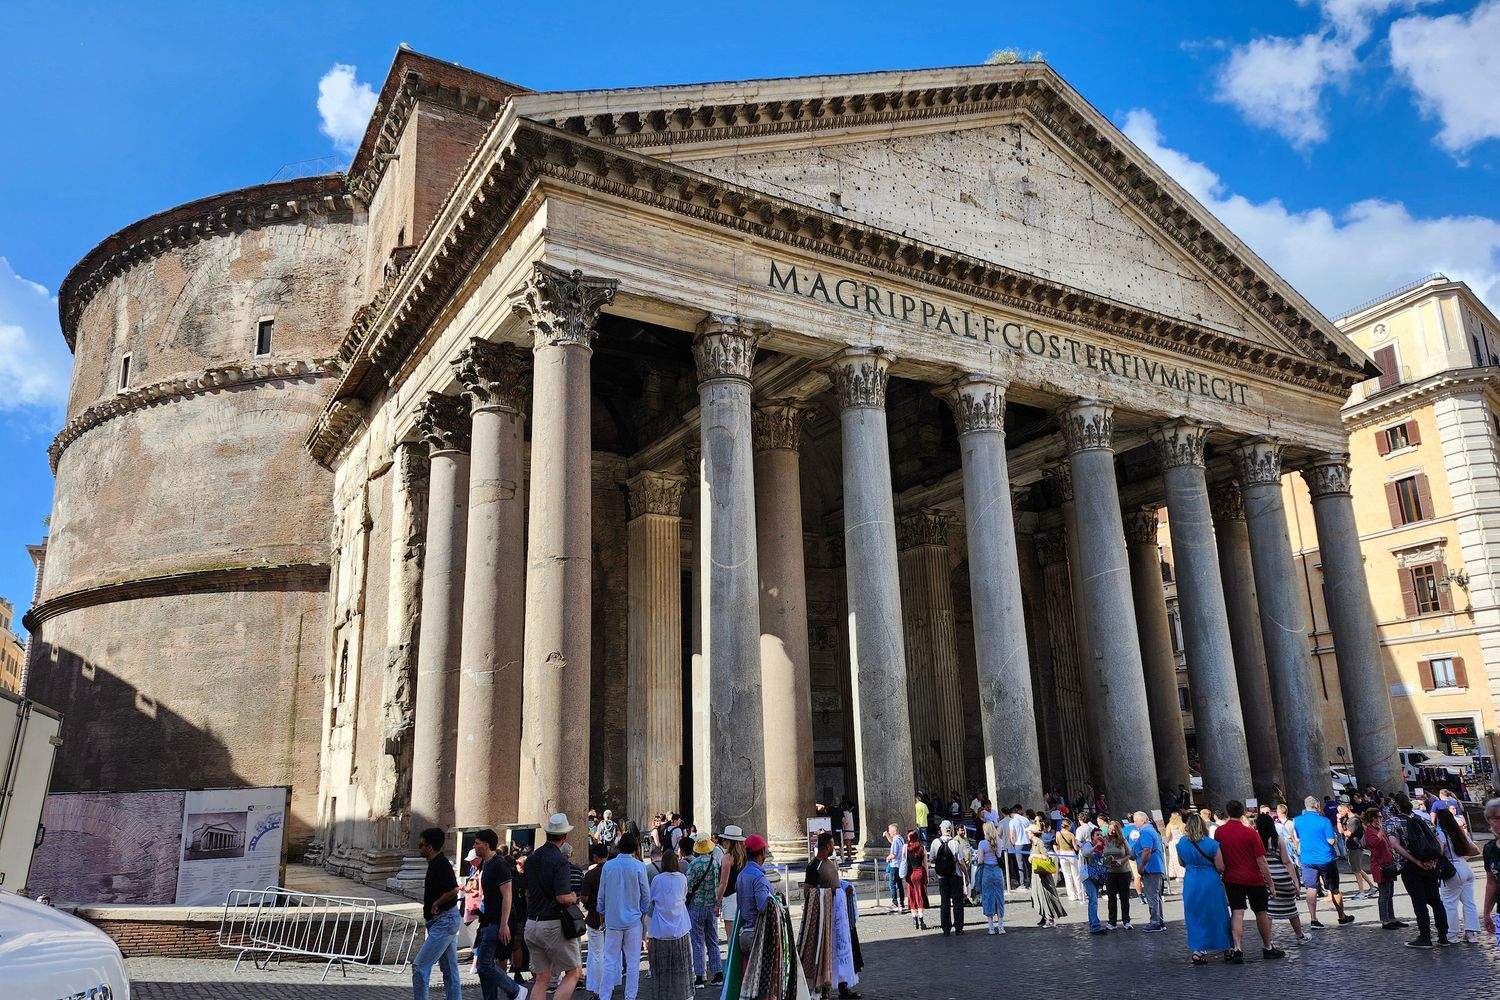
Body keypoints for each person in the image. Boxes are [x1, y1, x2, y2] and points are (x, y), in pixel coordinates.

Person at [1211, 801, 1283, 961]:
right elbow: (1261, 861)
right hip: (1253, 878)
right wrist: (1270, 883)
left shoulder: (1219, 832)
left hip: (1231, 878)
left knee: (1237, 911)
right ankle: (1268, 946)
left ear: (1228, 812)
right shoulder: (1250, 833)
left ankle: (1237, 949)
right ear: (1242, 812)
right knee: (1261, 912)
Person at [524, 814, 582, 1000]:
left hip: (532, 923)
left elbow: (527, 890)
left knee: (542, 978)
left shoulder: (532, 858)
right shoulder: (560, 861)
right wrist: (572, 896)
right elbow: (562, 897)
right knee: (574, 972)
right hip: (552, 925)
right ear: (564, 836)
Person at [1385, 790, 1450, 948]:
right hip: (1430, 864)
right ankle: (1443, 936)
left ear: (1396, 806)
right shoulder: (1424, 819)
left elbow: (1394, 844)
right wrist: (1433, 860)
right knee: (1435, 900)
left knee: (1419, 901)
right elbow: (1438, 841)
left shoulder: (1392, 822)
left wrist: (1415, 860)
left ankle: (1425, 936)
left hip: (1410, 866)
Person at [473, 829, 526, 1000]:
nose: (474, 845)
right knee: (485, 967)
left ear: (486, 845)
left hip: (497, 922)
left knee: (484, 964)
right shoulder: (486, 863)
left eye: (477, 842)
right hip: (488, 920)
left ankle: (515, 990)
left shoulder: (499, 864)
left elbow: (507, 895)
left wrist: (504, 924)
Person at [597, 829, 649, 1000]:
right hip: (633, 920)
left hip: (613, 920)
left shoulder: (608, 866)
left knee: (610, 960)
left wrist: (602, 911)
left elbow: (602, 893)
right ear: (635, 848)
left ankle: (605, 995)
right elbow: (645, 894)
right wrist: (641, 911)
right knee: (633, 962)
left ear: (619, 847)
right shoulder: (639, 866)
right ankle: (630, 996)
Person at [412, 827, 463, 1000]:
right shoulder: (436, 863)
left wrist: (437, 903)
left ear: (430, 847)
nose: (419, 847)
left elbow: (454, 889)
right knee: (449, 970)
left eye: (422, 844)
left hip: (444, 921)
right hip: (442, 921)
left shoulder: (441, 864)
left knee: (419, 966)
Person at [1176, 811, 1233, 964]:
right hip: (1210, 880)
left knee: (1195, 915)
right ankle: (1226, 948)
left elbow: (1181, 863)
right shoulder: (1212, 844)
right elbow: (1220, 867)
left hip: (1191, 881)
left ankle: (1198, 950)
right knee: (1218, 913)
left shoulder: (1181, 843)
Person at [1290, 795, 1353, 928]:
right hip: (1325, 858)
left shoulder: (1297, 821)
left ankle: (1313, 919)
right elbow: (1331, 841)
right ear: (1316, 806)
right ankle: (1342, 917)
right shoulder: (1324, 821)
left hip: (1307, 859)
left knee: (1311, 888)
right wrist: (1335, 840)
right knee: (1334, 889)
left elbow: (1297, 838)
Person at [647, 850, 693, 1000]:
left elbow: (652, 899)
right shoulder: (682, 878)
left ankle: (662, 994)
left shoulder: (657, 880)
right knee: (682, 966)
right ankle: (684, 993)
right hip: (680, 926)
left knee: (661, 968)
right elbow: (684, 896)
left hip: (660, 929)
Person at [1434, 806, 1482, 943]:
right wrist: (1462, 858)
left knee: (1449, 903)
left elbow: (1439, 852)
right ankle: (1471, 934)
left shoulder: (1441, 834)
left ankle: (1452, 934)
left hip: (1452, 870)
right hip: (1465, 868)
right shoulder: (1460, 833)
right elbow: (1476, 850)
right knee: (1469, 902)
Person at [684, 835, 723, 988]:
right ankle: (718, 972)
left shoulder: (694, 864)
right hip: (711, 905)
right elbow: (718, 882)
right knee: (713, 939)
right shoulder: (714, 863)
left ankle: (700, 976)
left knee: (697, 941)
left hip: (697, 906)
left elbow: (688, 884)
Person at [1362, 806, 1405, 931]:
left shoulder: (1378, 829)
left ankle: (1392, 918)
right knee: (1384, 894)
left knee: (1390, 893)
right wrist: (1380, 833)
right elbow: (1374, 843)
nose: (1381, 818)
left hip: (1388, 863)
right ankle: (1385, 920)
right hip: (1380, 865)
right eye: (1379, 816)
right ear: (1374, 818)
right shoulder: (1370, 830)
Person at [734, 835, 774, 958]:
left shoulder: (741, 875)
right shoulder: (758, 877)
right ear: (760, 854)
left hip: (745, 934)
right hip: (757, 935)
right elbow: (763, 906)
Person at [1126, 811, 1166, 932]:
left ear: (1142, 820)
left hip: (1150, 867)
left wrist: (1141, 865)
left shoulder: (1145, 832)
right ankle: (1159, 920)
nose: (1134, 823)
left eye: (1136, 820)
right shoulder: (1150, 830)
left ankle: (1155, 922)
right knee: (1156, 895)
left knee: (1152, 895)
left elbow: (1147, 850)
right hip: (1155, 866)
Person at [579, 843, 607, 999]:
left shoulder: (591, 874)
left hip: (594, 918)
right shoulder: (612, 872)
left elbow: (584, 897)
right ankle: (608, 984)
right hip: (613, 919)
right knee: (608, 954)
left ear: (595, 856)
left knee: (596, 953)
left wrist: (588, 904)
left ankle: (597, 987)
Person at [931, 819, 966, 936]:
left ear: (941, 830)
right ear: (950, 830)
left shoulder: (935, 843)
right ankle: (958, 927)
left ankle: (946, 928)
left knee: (944, 902)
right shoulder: (955, 843)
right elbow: (960, 861)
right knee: (957, 902)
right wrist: (966, 874)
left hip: (942, 876)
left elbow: (932, 859)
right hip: (955, 875)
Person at [716, 826, 747, 949]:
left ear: (730, 842)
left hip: (729, 898)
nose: (723, 842)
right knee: (741, 934)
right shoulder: (744, 857)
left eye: (725, 840)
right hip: (743, 895)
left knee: (731, 937)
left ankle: (732, 965)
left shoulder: (727, 857)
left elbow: (723, 883)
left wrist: (717, 902)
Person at [974, 821, 1007, 935]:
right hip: (997, 871)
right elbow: (999, 855)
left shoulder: (982, 843)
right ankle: (1001, 926)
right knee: (999, 897)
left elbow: (980, 860)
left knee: (988, 897)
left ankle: (991, 927)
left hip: (987, 872)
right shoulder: (1000, 842)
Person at [1028, 831, 1066, 927]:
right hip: (1036, 873)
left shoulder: (1039, 842)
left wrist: (1033, 856)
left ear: (1033, 833)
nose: (1028, 834)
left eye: (1029, 832)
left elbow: (1045, 856)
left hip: (1042, 873)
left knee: (1045, 894)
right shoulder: (1033, 843)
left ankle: (1049, 918)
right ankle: (1044, 916)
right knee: (1037, 894)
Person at [1078, 819, 1109, 935]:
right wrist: (1096, 846)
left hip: (1096, 875)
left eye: (1101, 834)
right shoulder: (1088, 844)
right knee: (1093, 900)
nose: (1100, 836)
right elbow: (1086, 853)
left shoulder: (1102, 845)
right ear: (1092, 837)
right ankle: (1095, 926)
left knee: (1094, 899)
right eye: (1097, 835)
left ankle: (1093, 923)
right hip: (1087, 875)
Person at [1338, 803, 1374, 898]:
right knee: (1358, 868)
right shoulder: (1348, 819)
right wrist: (1340, 822)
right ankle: (1372, 887)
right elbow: (1341, 831)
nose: (1339, 813)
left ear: (1347, 809)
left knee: (1356, 870)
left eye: (1341, 810)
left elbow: (1347, 834)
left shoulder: (1354, 820)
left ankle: (1361, 892)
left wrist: (1340, 824)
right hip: (1352, 847)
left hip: (1355, 847)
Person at [1102, 820, 1134, 929]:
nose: (1111, 831)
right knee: (1111, 897)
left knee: (1124, 897)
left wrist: (1121, 861)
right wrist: (1107, 859)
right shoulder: (1105, 840)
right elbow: (1102, 854)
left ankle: (1126, 920)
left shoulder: (1122, 841)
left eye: (1113, 829)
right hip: (1110, 872)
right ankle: (1112, 922)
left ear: (1117, 830)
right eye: (1109, 829)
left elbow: (1130, 854)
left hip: (1123, 872)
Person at [1480, 798, 1499, 941]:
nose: (1498, 823)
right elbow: (1492, 883)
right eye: (1494, 818)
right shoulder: (1489, 849)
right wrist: (1487, 913)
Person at [905, 829, 929, 929]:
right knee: (920, 895)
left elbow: (904, 861)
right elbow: (926, 864)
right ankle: (921, 919)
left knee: (912, 896)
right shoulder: (922, 848)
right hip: (920, 872)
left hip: (910, 873)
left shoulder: (906, 848)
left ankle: (915, 921)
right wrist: (926, 876)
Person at [1055, 818, 1082, 902]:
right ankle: (1079, 894)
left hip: (1062, 854)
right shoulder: (1071, 835)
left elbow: (1057, 844)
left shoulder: (1058, 834)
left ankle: (1071, 896)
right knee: (1076, 875)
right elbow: (1075, 848)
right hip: (1071, 854)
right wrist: (1079, 846)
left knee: (1067, 876)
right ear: (1068, 826)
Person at [1006, 805, 1032, 889]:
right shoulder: (1025, 819)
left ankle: (1022, 883)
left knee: (1020, 865)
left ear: (1011, 814)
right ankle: (1032, 881)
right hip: (1027, 843)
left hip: (1018, 844)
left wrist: (1013, 843)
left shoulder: (1012, 821)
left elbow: (1012, 835)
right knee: (1029, 863)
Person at [884, 824, 907, 914]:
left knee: (892, 885)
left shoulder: (895, 841)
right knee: (900, 885)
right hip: (899, 865)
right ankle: (901, 903)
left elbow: (893, 854)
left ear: (893, 831)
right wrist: (887, 835)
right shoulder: (900, 838)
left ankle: (895, 903)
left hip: (894, 865)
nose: (889, 832)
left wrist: (887, 858)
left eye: (890, 831)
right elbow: (892, 841)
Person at [1164, 811, 1187, 897]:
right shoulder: (1183, 825)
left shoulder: (1170, 825)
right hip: (1181, 842)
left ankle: (1177, 874)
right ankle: (1183, 872)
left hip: (1173, 844)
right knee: (1182, 858)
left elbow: (1168, 835)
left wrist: (1166, 843)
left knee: (1174, 859)